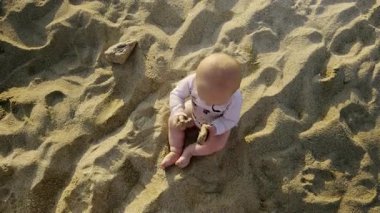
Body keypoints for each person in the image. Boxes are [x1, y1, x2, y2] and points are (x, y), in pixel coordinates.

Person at [160, 53, 243, 169]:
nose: (208, 104)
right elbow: (176, 94)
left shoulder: (235, 99)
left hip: (216, 123)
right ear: (197, 79)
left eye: (216, 102)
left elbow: (230, 120)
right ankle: (175, 150)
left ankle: (190, 151)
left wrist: (215, 128)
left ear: (232, 93)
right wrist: (178, 112)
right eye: (203, 97)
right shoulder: (192, 81)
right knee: (173, 121)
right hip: (194, 112)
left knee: (217, 144)